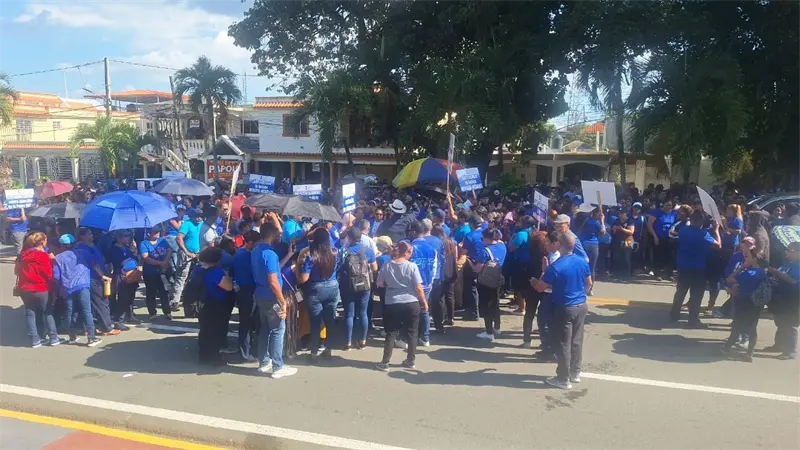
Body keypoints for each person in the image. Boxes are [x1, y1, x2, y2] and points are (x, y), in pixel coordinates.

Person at [532, 232, 590, 390]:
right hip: (581, 305)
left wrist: (537, 278)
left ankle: (563, 378)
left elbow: (540, 287)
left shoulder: (556, 266)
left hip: (564, 307)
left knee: (563, 343)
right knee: (577, 341)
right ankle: (575, 373)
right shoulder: (581, 261)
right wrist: (580, 295)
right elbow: (588, 283)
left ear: (560, 244)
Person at [252, 222, 298, 379]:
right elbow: (273, 280)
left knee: (265, 329)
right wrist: (282, 300)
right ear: (271, 235)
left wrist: (289, 255)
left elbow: (274, 269)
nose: (279, 236)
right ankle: (278, 366)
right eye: (277, 234)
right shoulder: (270, 254)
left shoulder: (256, 251)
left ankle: (264, 362)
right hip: (272, 297)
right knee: (278, 330)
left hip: (260, 295)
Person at [376, 241, 428, 372]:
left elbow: (380, 283)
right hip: (411, 302)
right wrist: (424, 302)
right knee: (412, 332)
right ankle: (410, 360)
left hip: (392, 302)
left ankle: (385, 362)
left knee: (391, 332)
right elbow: (418, 287)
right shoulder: (412, 266)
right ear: (407, 252)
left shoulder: (387, 265)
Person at [671, 210, 722, 328]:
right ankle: (693, 320)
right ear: (701, 222)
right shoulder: (703, 234)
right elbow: (718, 245)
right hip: (698, 268)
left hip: (683, 265)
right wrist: (716, 231)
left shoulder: (683, 230)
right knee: (696, 295)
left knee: (680, 291)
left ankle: (674, 314)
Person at [296, 227, 341, 360]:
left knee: (315, 322)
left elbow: (303, 279)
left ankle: (314, 352)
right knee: (329, 321)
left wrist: (299, 265)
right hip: (333, 287)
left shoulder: (311, 255)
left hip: (315, 289)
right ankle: (328, 349)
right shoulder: (335, 253)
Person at [54, 234, 102, 347]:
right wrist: (102, 275)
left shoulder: (58, 258)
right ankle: (91, 337)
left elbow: (56, 276)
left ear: (61, 245)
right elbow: (94, 264)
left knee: (70, 311)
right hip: (82, 284)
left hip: (68, 287)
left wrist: (60, 288)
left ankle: (72, 337)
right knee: (86, 311)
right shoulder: (82, 252)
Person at [15, 232, 62, 347]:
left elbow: (17, 271)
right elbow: (49, 274)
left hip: (25, 288)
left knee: (30, 313)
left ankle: (35, 339)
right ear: (42, 242)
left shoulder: (23, 255)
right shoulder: (44, 256)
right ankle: (53, 337)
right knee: (47, 311)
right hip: (41, 287)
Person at [723, 249, 768, 362]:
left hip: (743, 303)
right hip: (756, 304)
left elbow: (730, 278)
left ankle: (726, 349)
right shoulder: (762, 272)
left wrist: (741, 268)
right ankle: (749, 353)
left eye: (747, 256)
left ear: (755, 258)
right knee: (752, 329)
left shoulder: (748, 273)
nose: (745, 259)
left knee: (737, 326)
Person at [340, 227, 378, 350]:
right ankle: (362, 340)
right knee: (363, 313)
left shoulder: (344, 251)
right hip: (364, 285)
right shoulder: (367, 250)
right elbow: (375, 268)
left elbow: (339, 268)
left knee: (349, 314)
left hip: (348, 286)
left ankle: (347, 342)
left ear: (349, 238)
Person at [195, 247, 234, 366]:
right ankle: (213, 356)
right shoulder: (216, 272)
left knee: (204, 329)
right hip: (216, 303)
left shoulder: (197, 269)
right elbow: (229, 287)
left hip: (201, 302)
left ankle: (203, 353)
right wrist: (227, 277)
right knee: (215, 331)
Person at [74, 228, 117, 334]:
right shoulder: (81, 248)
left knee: (94, 303)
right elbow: (93, 264)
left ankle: (89, 327)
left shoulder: (92, 246)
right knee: (101, 302)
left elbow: (99, 260)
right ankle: (107, 327)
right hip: (92, 277)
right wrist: (102, 276)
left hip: (98, 276)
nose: (92, 236)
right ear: (82, 236)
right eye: (89, 234)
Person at [765, 242, 800, 360]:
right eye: (786, 250)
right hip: (780, 299)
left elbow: (794, 282)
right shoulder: (786, 265)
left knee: (789, 325)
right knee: (780, 323)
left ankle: (790, 351)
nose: (786, 252)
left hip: (792, 300)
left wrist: (779, 274)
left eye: (790, 250)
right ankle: (779, 345)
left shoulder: (798, 266)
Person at [475, 227, 507, 341]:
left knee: (486, 305)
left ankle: (489, 332)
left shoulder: (485, 251)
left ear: (486, 238)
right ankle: (497, 328)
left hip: (486, 281)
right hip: (499, 278)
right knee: (495, 303)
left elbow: (478, 269)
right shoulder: (502, 246)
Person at [233, 230, 260, 361]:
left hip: (241, 289)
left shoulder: (239, 254)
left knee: (246, 321)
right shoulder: (248, 256)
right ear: (250, 243)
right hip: (248, 289)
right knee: (246, 321)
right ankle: (245, 352)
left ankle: (244, 348)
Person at [408, 221, 436, 346]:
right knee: (425, 310)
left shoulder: (410, 248)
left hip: (412, 284)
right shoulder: (432, 248)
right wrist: (430, 282)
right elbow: (434, 267)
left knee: (411, 311)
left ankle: (409, 337)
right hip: (427, 283)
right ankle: (425, 338)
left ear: (414, 232)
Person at [140, 227, 173, 321]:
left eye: (158, 231)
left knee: (164, 292)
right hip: (150, 272)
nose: (157, 233)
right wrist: (160, 263)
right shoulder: (144, 243)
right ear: (149, 233)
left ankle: (167, 312)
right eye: (155, 232)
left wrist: (165, 261)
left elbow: (169, 250)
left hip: (163, 271)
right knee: (151, 292)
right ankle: (152, 313)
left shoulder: (163, 240)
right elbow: (146, 258)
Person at [108, 230, 140, 324]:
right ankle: (119, 319)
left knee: (130, 296)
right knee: (123, 297)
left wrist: (134, 252)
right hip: (122, 274)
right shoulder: (114, 249)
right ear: (119, 238)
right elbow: (117, 261)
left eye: (128, 236)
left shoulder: (127, 248)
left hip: (132, 274)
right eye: (125, 236)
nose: (127, 238)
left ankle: (130, 315)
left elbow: (135, 259)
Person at [173, 208, 204, 305]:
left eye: (201, 216)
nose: (199, 218)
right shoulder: (187, 224)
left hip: (199, 254)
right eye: (197, 216)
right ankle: (175, 301)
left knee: (196, 277)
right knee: (181, 277)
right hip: (186, 254)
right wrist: (186, 252)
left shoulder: (203, 224)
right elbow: (179, 238)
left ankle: (189, 299)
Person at [460, 214, 485, 321]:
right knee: (483, 288)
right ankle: (482, 311)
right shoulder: (486, 233)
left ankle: (474, 313)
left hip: (473, 265)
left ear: (471, 224)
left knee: (472, 288)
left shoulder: (469, 236)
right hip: (486, 264)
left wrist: (460, 247)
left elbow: (464, 252)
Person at [578, 207, 606, 295]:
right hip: (593, 245)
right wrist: (602, 220)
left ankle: (581, 287)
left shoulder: (586, 220)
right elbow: (603, 231)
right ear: (595, 213)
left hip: (583, 244)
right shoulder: (596, 222)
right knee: (591, 267)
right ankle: (590, 289)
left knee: (583, 266)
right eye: (599, 213)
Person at [648, 200, 677, 281]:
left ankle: (669, 274)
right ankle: (657, 274)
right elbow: (649, 225)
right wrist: (655, 236)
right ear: (663, 205)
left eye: (670, 205)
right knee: (658, 256)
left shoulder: (674, 213)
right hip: (659, 237)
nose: (668, 207)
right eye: (667, 205)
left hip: (670, 238)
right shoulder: (656, 213)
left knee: (669, 256)